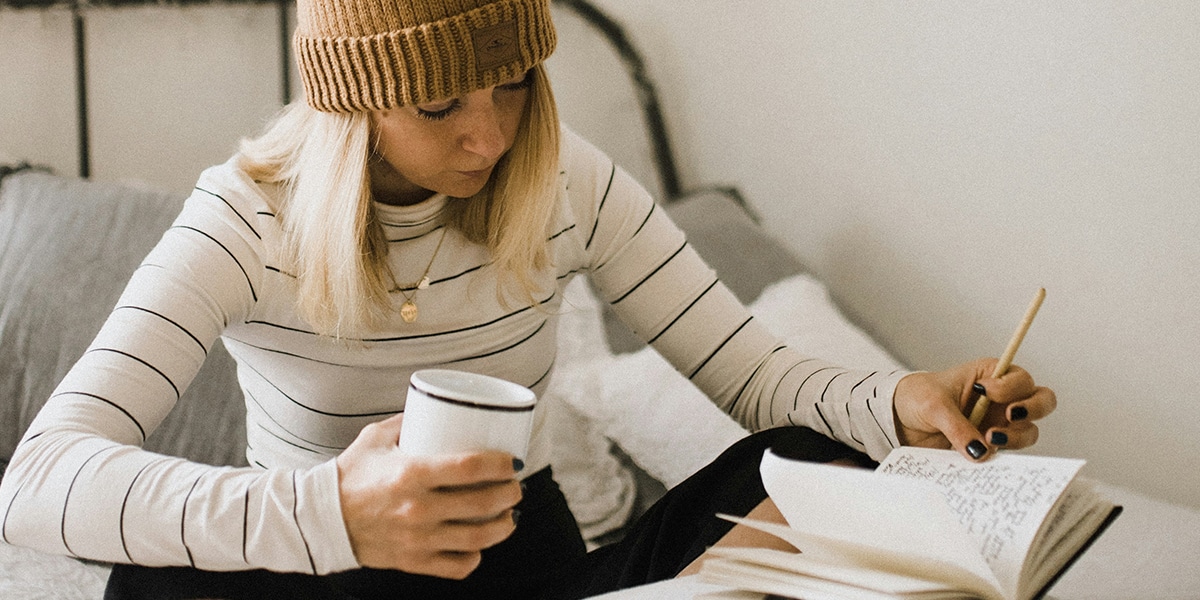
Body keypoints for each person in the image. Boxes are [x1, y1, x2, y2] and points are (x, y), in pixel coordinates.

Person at [0, 0, 1056, 598]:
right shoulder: (247, 218)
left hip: (524, 577)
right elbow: (37, 482)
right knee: (156, 576)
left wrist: (898, 403)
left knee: (826, 464)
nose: (489, 136)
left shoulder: (566, 182)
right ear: (352, 107)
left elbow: (760, 374)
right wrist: (332, 513)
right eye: (440, 103)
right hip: (322, 570)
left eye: (511, 84)